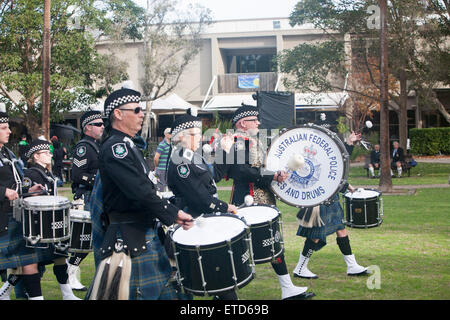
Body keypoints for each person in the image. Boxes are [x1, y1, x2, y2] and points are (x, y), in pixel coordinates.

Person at [88, 88, 193, 300]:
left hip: (141, 231)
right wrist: (173, 213)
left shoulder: (128, 145)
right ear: (118, 114)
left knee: (171, 293)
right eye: (136, 110)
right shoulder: (117, 147)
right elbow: (138, 190)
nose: (141, 114)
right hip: (129, 236)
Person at [219, 105, 315, 300]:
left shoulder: (253, 141)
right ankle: (224, 292)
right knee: (243, 247)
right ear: (242, 124)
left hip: (262, 197)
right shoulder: (238, 141)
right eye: (254, 120)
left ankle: (287, 288)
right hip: (249, 198)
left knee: (271, 241)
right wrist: (273, 176)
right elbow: (241, 172)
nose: (259, 123)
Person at [167, 109, 239, 300]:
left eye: (199, 132)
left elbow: (214, 177)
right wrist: (224, 207)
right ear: (181, 136)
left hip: (203, 219)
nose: (200, 136)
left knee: (218, 279)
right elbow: (198, 197)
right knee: (216, 279)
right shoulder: (180, 160)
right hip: (193, 221)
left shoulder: (192, 155)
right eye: (196, 133)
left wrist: (225, 150)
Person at [292, 125, 369, 279]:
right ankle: (300, 268)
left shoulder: (323, 152)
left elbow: (337, 167)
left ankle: (352, 265)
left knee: (341, 229)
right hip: (318, 201)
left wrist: (349, 143)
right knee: (315, 236)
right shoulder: (305, 154)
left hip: (330, 199)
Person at [0, 113, 52, 300]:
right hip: (1, 219)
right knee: (8, 265)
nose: (8, 131)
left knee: (30, 263)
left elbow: (16, 181)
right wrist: (3, 191)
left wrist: (29, 189)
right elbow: (6, 187)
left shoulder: (7, 152)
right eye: (4, 128)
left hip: (15, 216)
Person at [20, 139, 80, 300]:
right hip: (38, 226)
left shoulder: (46, 173)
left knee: (61, 258)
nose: (50, 155)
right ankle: (6, 292)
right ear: (36, 156)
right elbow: (26, 197)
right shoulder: (31, 173)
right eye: (46, 153)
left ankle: (67, 294)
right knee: (30, 263)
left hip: (50, 224)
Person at [68, 110, 104, 291]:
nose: (102, 126)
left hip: (97, 196)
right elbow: (77, 175)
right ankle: (70, 271)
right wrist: (99, 179)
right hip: (87, 196)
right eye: (98, 124)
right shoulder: (84, 147)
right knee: (84, 240)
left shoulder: (96, 145)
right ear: (88, 127)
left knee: (93, 239)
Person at [154, 127, 171, 191]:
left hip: (169, 170)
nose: (171, 134)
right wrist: (156, 166)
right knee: (161, 188)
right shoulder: (162, 144)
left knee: (170, 188)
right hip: (162, 170)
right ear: (165, 134)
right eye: (170, 133)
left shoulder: (171, 144)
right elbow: (156, 158)